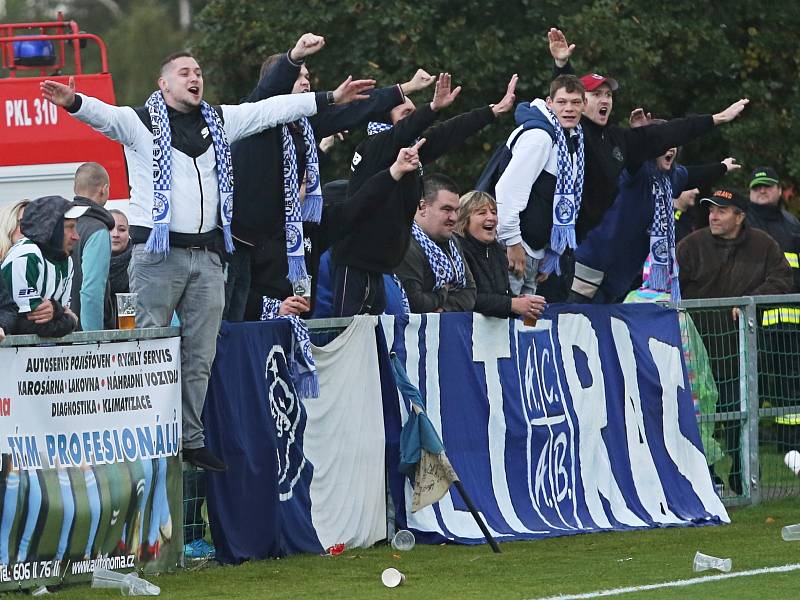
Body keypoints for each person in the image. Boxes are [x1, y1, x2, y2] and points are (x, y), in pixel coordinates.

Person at [40, 51, 375, 472]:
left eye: (199, 71)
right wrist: (74, 102)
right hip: (159, 255)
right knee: (149, 349)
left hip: (209, 256)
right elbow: (105, 117)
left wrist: (326, 98)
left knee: (200, 354)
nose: (194, 77)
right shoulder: (141, 122)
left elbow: (267, 110)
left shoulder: (219, 121)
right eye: (184, 72)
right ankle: (146, 432)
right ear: (164, 84)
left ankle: (190, 439)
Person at [230, 33, 431, 321]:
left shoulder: (303, 124)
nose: (306, 81)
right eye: (298, 76)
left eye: (308, 76)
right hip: (234, 240)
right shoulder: (255, 116)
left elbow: (353, 110)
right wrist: (294, 56)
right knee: (228, 325)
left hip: (271, 238)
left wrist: (405, 88)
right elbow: (269, 91)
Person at [545, 28, 749, 300]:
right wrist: (562, 65)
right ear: (582, 103)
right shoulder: (577, 132)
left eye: (609, 94)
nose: (605, 99)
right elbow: (565, 99)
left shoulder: (625, 145)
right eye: (597, 95)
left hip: (619, 274)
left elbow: (672, 143)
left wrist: (716, 125)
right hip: (583, 263)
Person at [330, 73, 519, 316]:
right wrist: (431, 108)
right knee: (350, 340)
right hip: (355, 264)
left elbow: (445, 134)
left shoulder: (409, 151)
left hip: (383, 266)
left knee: (379, 345)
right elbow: (402, 133)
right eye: (406, 114)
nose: (414, 120)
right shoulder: (374, 147)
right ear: (387, 121)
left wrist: (491, 111)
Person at [678, 187, 792, 494]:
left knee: (740, 418)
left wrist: (750, 302)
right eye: (711, 210)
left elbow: (783, 278)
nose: (713, 216)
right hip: (698, 352)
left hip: (742, 352)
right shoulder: (692, 245)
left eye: (721, 210)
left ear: (740, 216)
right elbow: (669, 283)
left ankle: (743, 479)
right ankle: (706, 478)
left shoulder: (763, 245)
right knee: (702, 418)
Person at [495, 74, 586, 295]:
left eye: (575, 102)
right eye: (562, 102)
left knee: (526, 325)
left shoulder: (571, 140)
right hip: (515, 247)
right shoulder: (540, 136)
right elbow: (507, 191)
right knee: (507, 322)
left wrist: (548, 251)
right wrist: (513, 243)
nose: (569, 109)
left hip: (535, 251)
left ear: (584, 105)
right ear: (549, 103)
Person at [1, 196, 87, 338]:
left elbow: (62, 313)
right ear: (52, 228)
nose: (76, 236)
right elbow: (30, 325)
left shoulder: (67, 260)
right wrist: (70, 320)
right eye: (70, 227)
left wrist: (57, 310)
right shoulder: (26, 256)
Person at [456, 190, 545, 320]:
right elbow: (463, 298)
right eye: (482, 213)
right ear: (464, 219)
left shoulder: (497, 250)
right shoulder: (456, 250)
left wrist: (523, 304)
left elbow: (501, 297)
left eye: (494, 212)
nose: (491, 217)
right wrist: (511, 304)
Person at [394, 174, 476, 313]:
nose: (454, 218)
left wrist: (444, 308)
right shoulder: (404, 243)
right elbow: (415, 303)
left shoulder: (452, 242)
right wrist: (443, 292)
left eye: (456, 210)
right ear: (423, 207)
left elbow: (470, 293)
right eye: (447, 209)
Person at [70, 162, 116, 330]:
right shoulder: (97, 230)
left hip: (58, 333)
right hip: (84, 338)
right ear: (103, 189)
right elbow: (91, 291)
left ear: (75, 188)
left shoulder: (60, 224)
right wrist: (94, 339)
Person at [108, 209, 131, 296]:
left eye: (122, 229)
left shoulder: (140, 261)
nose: (115, 234)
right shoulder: (89, 260)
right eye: (110, 229)